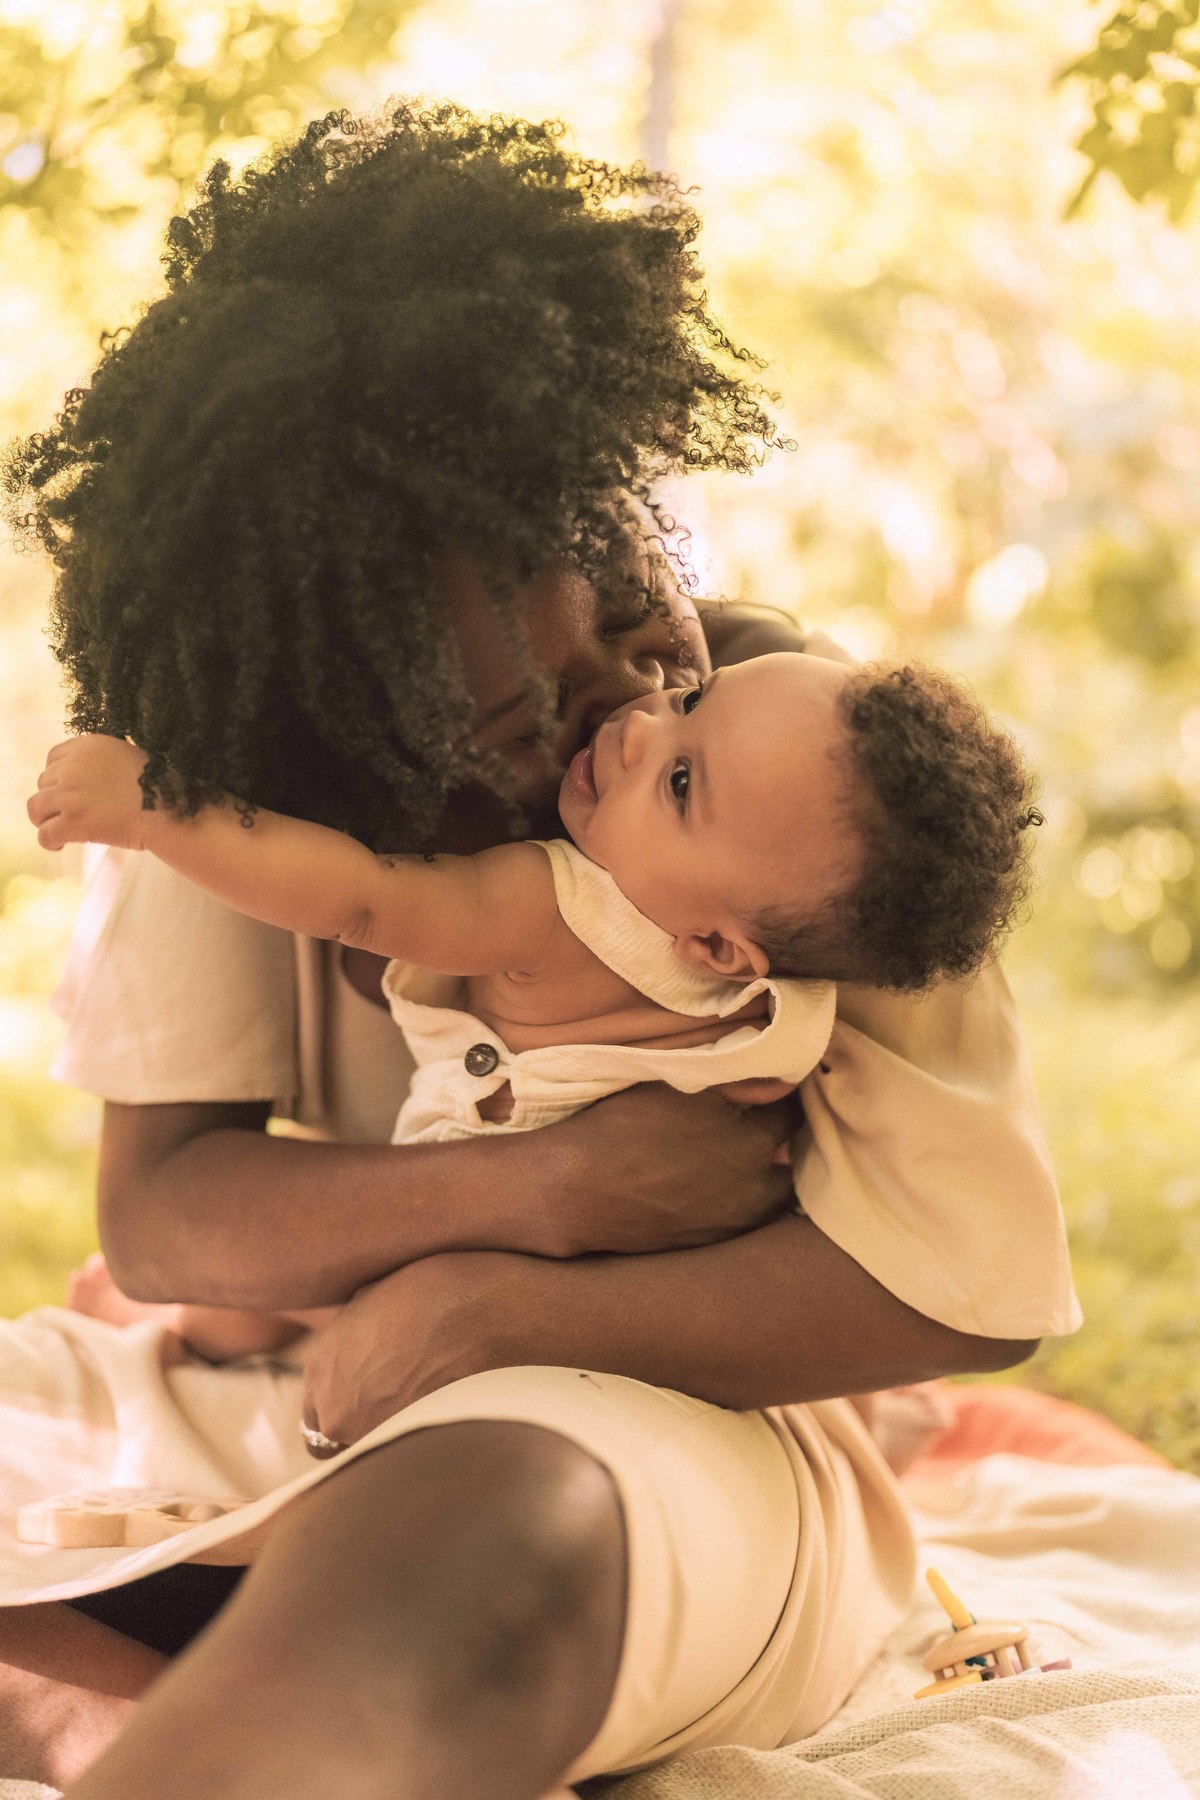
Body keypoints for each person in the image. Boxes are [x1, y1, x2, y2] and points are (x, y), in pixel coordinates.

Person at [0, 102, 1078, 1799]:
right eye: (524, 723)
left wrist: (495, 1312)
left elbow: (953, 1285)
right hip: (288, 1389)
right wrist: (526, 1202)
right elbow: (165, 1214)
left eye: (637, 591)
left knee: (488, 1535)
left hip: (650, 1410)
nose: (640, 696)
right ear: (347, 744)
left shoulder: (805, 775)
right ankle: (97, 1704)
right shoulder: (230, 760)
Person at [29, 649, 1061, 1376]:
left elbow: (362, 898)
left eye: (681, 778)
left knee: (273, 1304)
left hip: (469, 1263)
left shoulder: (564, 908)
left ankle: (142, 1318)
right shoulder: (781, 983)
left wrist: (161, 809)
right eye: (693, 701)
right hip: (622, 1273)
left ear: (713, 946)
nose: (640, 721)